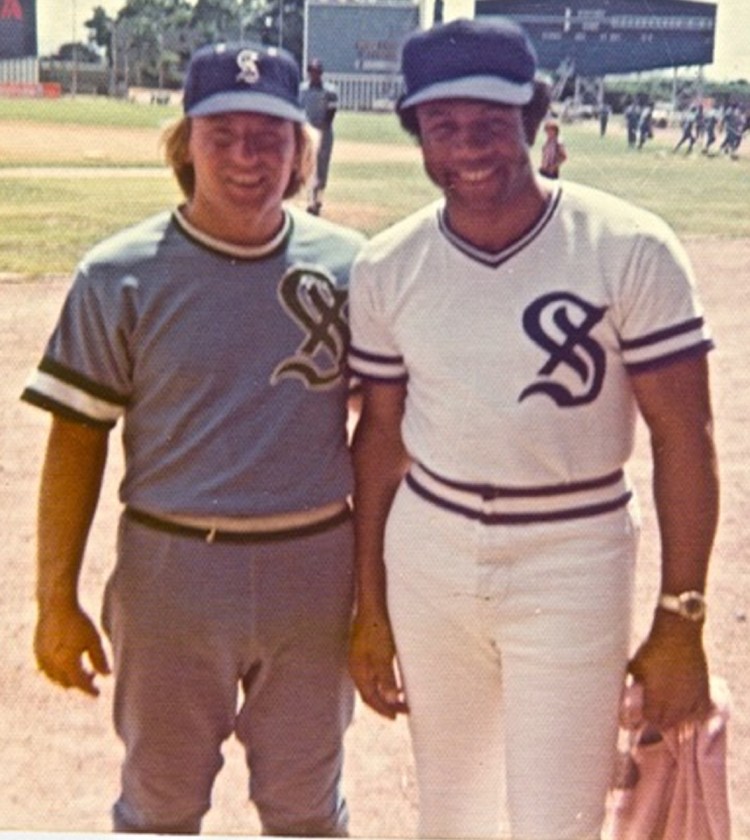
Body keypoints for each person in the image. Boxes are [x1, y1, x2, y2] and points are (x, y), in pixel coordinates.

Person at [347, 17, 717, 840]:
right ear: (415, 132)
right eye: (442, 126)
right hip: (429, 549)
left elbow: (684, 437)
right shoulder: (388, 265)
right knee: (453, 810)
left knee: (559, 817)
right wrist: (369, 608)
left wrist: (681, 619)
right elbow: (377, 440)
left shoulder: (629, 247)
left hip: (573, 551)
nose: (468, 146)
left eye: (491, 122)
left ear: (533, 118)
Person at [22, 42, 365, 836]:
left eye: (270, 136)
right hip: (173, 568)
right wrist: (54, 600)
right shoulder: (119, 273)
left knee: (308, 808)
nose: (248, 156)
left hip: (312, 567)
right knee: (160, 806)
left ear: (300, 151)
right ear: (185, 145)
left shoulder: (354, 268)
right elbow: (77, 439)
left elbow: (389, 429)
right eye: (222, 135)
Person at [300, 58, 338, 215]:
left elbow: (332, 111)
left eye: (317, 71)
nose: (314, 74)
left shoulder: (329, 91)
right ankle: (311, 200)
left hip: (324, 131)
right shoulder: (302, 89)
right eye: (312, 71)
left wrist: (324, 126)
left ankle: (319, 198)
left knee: (322, 165)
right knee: (309, 165)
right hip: (308, 131)